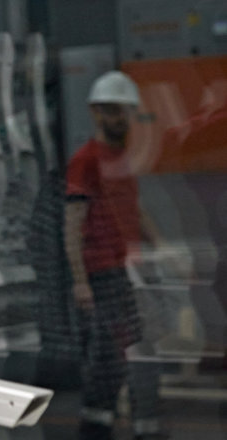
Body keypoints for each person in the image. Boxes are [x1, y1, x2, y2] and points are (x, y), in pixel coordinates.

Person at [64, 70, 162, 440]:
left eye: (126, 111)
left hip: (124, 271)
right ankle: (95, 429)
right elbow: (73, 221)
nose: (122, 119)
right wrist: (80, 282)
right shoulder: (86, 160)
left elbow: (133, 209)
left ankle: (129, 427)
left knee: (128, 353)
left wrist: (160, 247)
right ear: (97, 113)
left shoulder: (121, 157)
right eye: (114, 111)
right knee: (109, 358)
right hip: (101, 274)